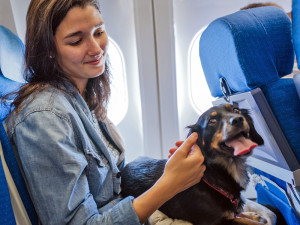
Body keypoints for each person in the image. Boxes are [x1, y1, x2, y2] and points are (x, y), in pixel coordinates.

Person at [2, 0, 206, 224]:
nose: (96, 48)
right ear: (49, 49)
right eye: (77, 41)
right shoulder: (46, 117)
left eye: (99, 32)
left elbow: (115, 185)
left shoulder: (84, 93)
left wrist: (170, 170)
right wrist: (169, 185)